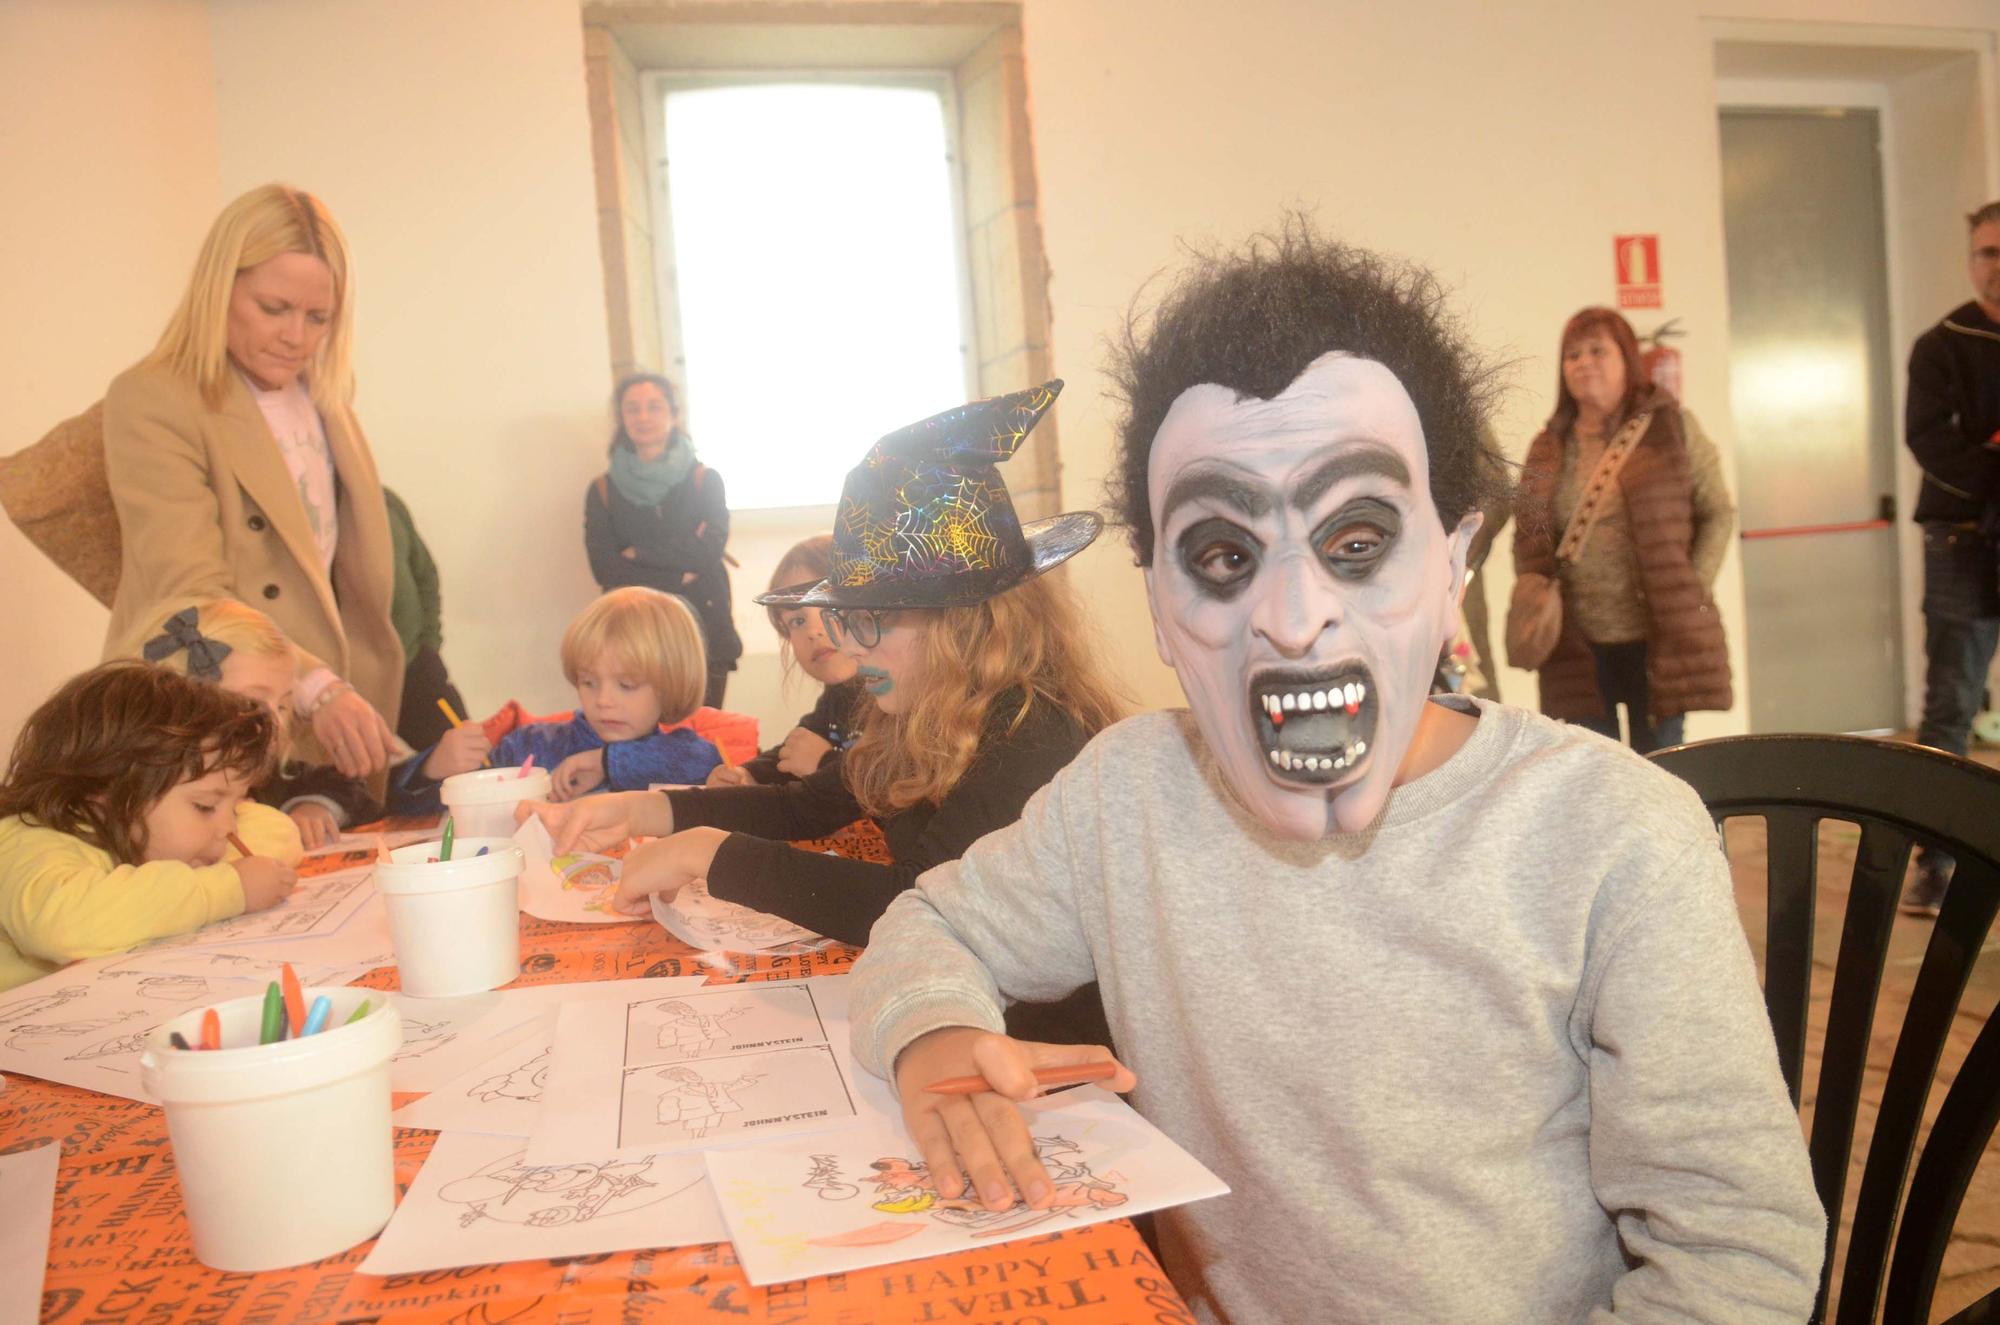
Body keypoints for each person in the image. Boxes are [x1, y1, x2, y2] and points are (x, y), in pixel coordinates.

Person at [845, 227, 1822, 1322]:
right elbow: (931, 925)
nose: (1295, 614)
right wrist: (932, 1036)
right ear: (1161, 603)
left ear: (1452, 565)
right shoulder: (1125, 797)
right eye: (1221, 554)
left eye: (1355, 537)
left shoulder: (1612, 835)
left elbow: (1736, 1253)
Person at [525, 383, 1123, 1046]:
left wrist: (708, 852)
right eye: (843, 616)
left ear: (968, 622)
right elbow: (801, 807)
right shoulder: (916, 708)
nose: (844, 641)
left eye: (873, 618)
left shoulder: (1033, 729)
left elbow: (914, 903)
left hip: (1045, 1052)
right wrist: (643, 809)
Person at [100, 183, 404, 786]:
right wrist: (315, 687)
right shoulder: (154, 398)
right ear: (221, 289)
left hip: (326, 717)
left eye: (318, 317)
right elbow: (189, 596)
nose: (297, 336)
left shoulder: (326, 397)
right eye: (273, 309)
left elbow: (346, 579)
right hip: (207, 718)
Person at [0, 663, 302, 991]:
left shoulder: (160, 834)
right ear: (106, 789)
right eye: (205, 806)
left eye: (237, 804)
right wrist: (227, 889)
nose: (229, 829)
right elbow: (58, 926)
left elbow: (278, 830)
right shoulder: (28, 842)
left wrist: (241, 875)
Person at [1512, 307, 1734, 753]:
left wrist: (1692, 583)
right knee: (1598, 776)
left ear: (1627, 359)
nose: (1583, 362)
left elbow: (1718, 512)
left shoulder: (1672, 429)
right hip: (1577, 646)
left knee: (1664, 771)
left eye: (1597, 350)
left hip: (1657, 637)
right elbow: (1528, 535)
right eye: (1572, 354)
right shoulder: (1548, 447)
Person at [126, 597, 435, 848]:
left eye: (284, 704)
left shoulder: (265, 776)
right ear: (177, 706)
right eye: (253, 704)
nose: (276, 720)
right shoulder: (141, 799)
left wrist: (313, 806)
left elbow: (348, 788)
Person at [398, 586, 721, 809]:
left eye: (626, 685)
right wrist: (433, 768)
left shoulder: (682, 753)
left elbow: (704, 764)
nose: (604, 700)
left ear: (670, 685)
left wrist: (604, 762)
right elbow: (417, 808)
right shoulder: (530, 747)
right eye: (589, 682)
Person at [1900, 200, 2000, 917]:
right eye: (1987, 252)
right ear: (1971, 260)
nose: (1997, 266)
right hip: (1964, 539)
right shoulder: (1941, 345)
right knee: (1952, 706)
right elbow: (1933, 443)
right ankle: (1934, 865)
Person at [584, 373, 743, 708]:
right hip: (635, 634)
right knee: (644, 744)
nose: (643, 417)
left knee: (705, 740)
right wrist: (677, 575)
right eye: (633, 409)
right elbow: (606, 570)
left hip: (704, 628)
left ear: (673, 413)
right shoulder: (602, 491)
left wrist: (637, 553)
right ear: (621, 418)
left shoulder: (705, 480)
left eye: (654, 407)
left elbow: (708, 551)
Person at [708, 534, 864, 786]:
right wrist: (746, 775)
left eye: (829, 607)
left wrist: (823, 763)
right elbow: (792, 751)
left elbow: (891, 790)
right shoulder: (835, 699)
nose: (814, 631)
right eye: (798, 621)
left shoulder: (897, 700)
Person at [383, 488, 469, 753]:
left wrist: (429, 644)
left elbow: (425, 576)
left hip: (416, 665)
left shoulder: (385, 502)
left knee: (468, 761)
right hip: (349, 684)